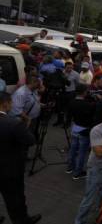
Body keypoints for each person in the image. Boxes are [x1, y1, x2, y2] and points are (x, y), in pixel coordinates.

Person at [0, 92, 41, 224]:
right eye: (11, 102)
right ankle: (21, 221)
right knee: (14, 198)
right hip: (10, 169)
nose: (12, 105)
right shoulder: (13, 123)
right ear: (5, 103)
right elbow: (30, 140)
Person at [66, 84, 95, 180]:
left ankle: (70, 167)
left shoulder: (71, 102)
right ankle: (77, 172)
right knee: (82, 152)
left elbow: (69, 116)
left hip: (75, 127)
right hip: (84, 130)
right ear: (84, 92)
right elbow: (91, 117)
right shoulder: (87, 105)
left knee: (73, 149)